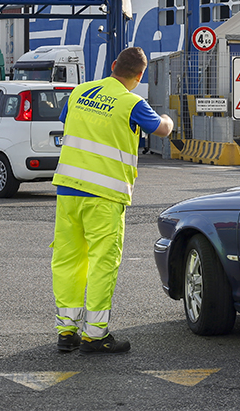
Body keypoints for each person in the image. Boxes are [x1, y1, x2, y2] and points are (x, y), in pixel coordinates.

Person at [50, 47, 173, 355]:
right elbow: (160, 129)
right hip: (104, 196)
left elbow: (67, 123)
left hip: (67, 190)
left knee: (68, 261)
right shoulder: (132, 102)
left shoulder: (80, 92)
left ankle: (66, 331)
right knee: (103, 263)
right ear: (140, 75)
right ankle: (95, 335)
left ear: (114, 65)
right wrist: (168, 119)